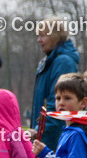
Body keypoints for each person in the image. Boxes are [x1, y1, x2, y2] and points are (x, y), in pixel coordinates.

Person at [34, 16, 81, 151]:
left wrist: (38, 132)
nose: (39, 40)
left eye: (43, 36)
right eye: (38, 36)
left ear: (55, 36)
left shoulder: (63, 62)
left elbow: (56, 104)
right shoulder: (49, 61)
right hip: (46, 139)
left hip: (54, 142)